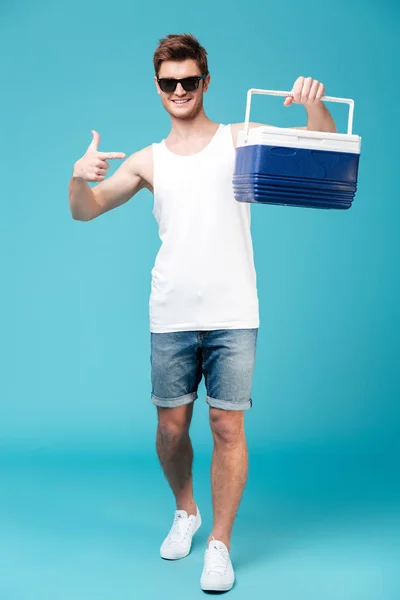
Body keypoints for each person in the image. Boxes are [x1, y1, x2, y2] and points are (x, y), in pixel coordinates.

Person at [68, 33, 337, 592]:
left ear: (205, 82)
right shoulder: (147, 161)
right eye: (170, 83)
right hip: (170, 313)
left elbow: (321, 144)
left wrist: (315, 103)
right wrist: (78, 176)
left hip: (234, 311)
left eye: (190, 81)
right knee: (171, 429)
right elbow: (85, 211)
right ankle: (186, 510)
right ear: (158, 87)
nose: (180, 90)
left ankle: (220, 543)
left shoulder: (239, 138)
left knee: (227, 426)